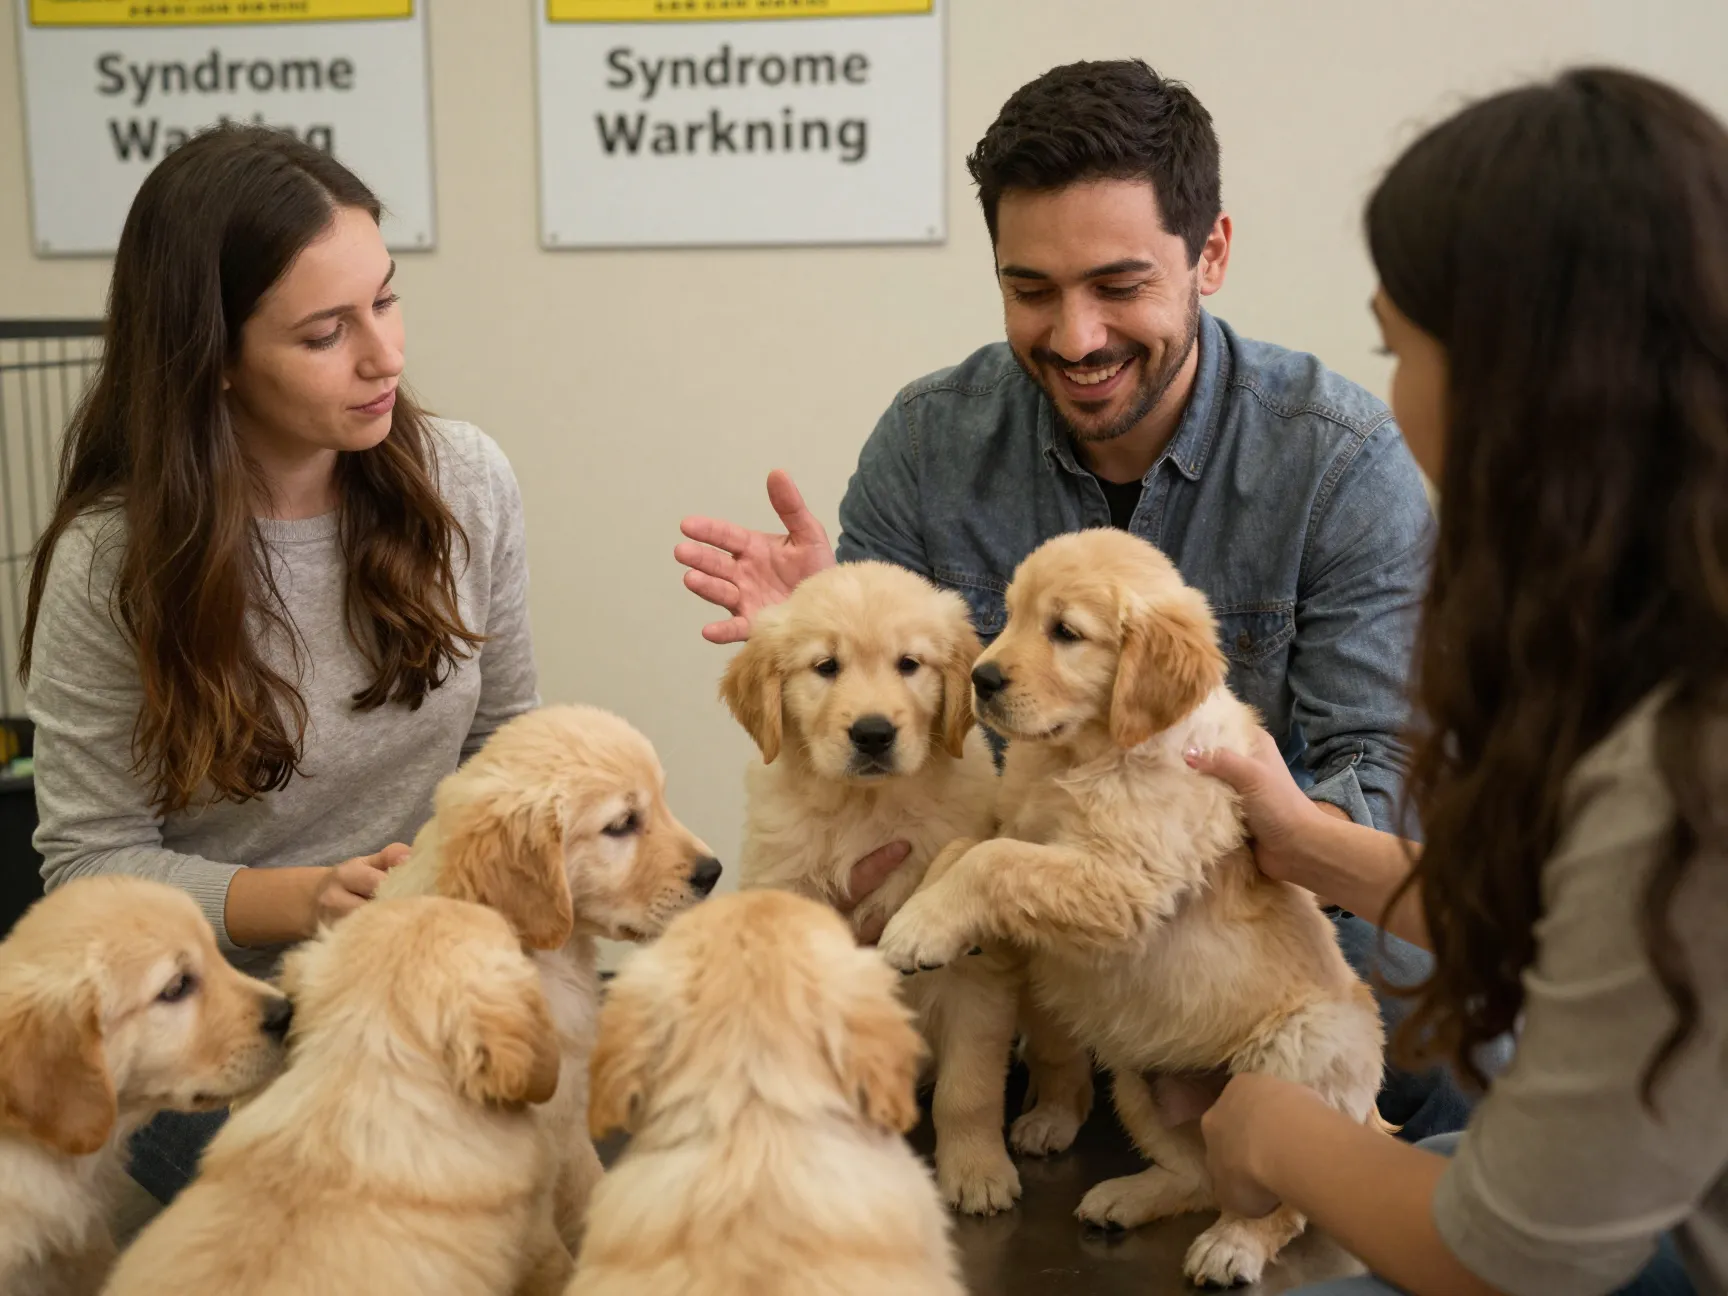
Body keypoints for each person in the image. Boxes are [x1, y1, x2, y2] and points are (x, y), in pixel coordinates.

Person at [676, 59, 1468, 1139]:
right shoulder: (926, 444)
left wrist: (1156, 863)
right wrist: (834, 632)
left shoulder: (1336, 462)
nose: (1077, 336)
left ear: (1212, 255)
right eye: (1031, 290)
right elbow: (895, 774)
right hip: (1016, 956)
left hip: (1237, 946)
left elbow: (1379, 777)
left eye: (1120, 285)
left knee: (1429, 1033)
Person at [1194, 67, 1728, 1296]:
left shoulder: (1683, 756)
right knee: (1437, 1143)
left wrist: (1269, 1127)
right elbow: (1572, 920)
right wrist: (1304, 840)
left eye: (1398, 346)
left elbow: (1509, 1256)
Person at [20, 125, 538, 1203]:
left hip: (421, 981)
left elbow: (505, 747)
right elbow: (91, 868)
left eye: (386, 301)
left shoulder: (468, 483)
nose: (384, 356)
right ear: (213, 357)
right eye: (324, 333)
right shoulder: (110, 562)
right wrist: (305, 900)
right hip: (223, 1026)